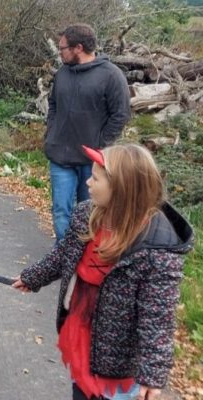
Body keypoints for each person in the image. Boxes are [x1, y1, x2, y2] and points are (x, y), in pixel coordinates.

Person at [12, 144, 194, 400]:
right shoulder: (88, 214)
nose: (87, 181)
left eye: (96, 178)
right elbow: (64, 254)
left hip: (117, 358)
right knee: (80, 392)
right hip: (82, 332)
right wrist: (33, 277)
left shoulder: (156, 249)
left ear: (122, 190)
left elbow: (157, 317)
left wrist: (153, 374)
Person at [46, 23, 131, 242]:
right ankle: (63, 258)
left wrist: (100, 145)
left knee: (91, 214)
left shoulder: (112, 76)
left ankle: (84, 260)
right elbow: (53, 104)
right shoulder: (63, 73)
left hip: (92, 162)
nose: (60, 51)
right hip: (60, 156)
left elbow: (120, 115)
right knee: (61, 212)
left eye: (63, 47)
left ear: (78, 48)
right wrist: (51, 131)